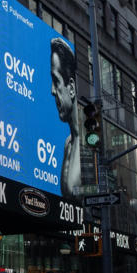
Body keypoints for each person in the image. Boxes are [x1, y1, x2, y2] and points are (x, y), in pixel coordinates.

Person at [50, 37, 80, 199]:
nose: (52, 91)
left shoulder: (90, 142)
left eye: (56, 81)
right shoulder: (68, 144)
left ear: (72, 88)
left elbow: (97, 192)